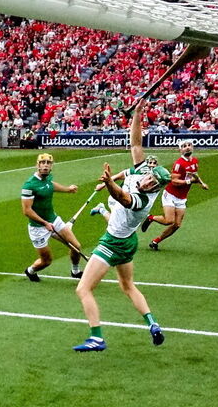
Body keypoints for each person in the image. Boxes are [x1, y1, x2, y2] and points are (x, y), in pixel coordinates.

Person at [73, 103, 171, 352]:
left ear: (156, 188)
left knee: (83, 288)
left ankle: (96, 337)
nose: (148, 181)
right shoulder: (141, 172)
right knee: (127, 286)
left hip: (114, 242)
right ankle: (153, 323)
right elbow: (136, 144)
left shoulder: (142, 201)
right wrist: (138, 114)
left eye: (152, 182)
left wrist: (108, 183)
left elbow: (123, 199)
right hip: (129, 242)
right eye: (149, 177)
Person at [21, 152, 84, 282]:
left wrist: (68, 189)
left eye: (48, 163)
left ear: (52, 166)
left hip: (54, 220)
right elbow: (27, 211)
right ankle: (30, 271)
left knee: (76, 247)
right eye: (42, 163)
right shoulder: (29, 185)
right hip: (38, 228)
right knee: (47, 261)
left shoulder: (48, 178)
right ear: (37, 165)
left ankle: (75, 271)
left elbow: (51, 186)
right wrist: (45, 223)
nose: (45, 166)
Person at [140, 140, 209, 251]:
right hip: (170, 195)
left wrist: (201, 183)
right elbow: (174, 181)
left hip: (182, 198)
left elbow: (194, 175)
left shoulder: (195, 161)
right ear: (180, 150)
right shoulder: (179, 164)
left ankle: (155, 241)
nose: (187, 148)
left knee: (177, 225)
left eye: (189, 145)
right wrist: (189, 182)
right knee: (169, 221)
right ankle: (151, 218)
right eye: (184, 146)